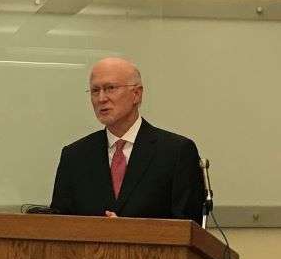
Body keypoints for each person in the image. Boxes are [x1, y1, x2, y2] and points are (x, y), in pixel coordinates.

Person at [49, 57, 204, 219]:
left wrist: (128, 232)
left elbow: (188, 229)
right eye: (95, 90)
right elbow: (59, 226)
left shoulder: (176, 152)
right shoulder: (75, 156)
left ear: (136, 94)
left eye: (110, 88)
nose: (101, 98)